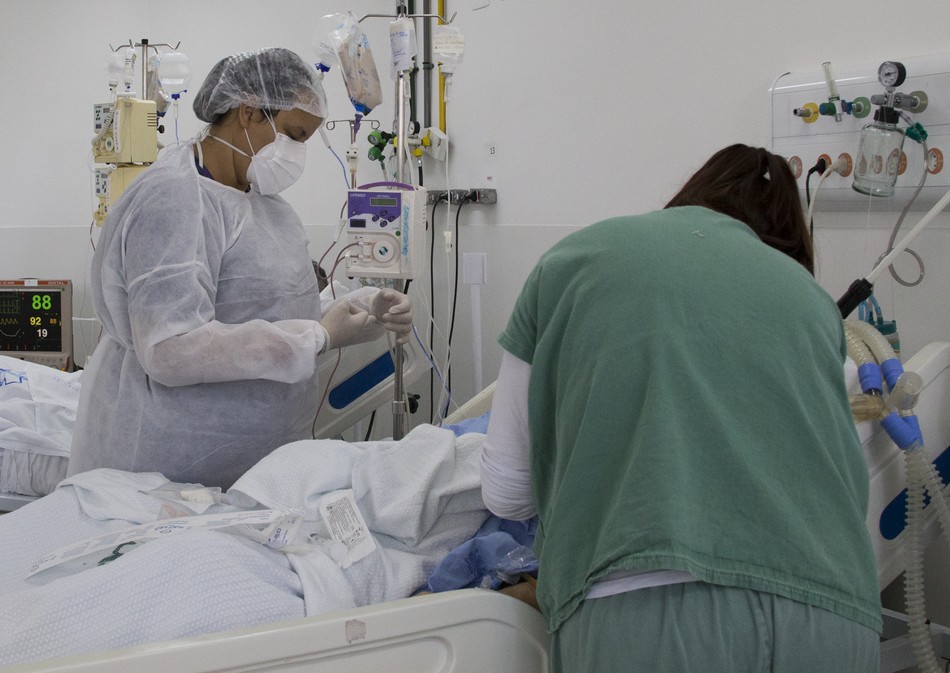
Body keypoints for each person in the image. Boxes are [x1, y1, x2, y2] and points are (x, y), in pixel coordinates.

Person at [481, 144, 881, 672]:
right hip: (836, 617)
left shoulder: (575, 260)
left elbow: (507, 493)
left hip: (648, 608)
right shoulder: (810, 301)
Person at [68, 48, 412, 489]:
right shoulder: (175, 198)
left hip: (258, 466)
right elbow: (171, 348)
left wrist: (359, 305)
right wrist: (320, 336)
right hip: (165, 468)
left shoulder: (271, 210)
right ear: (249, 112)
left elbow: (279, 303)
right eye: (293, 134)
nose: (297, 154)